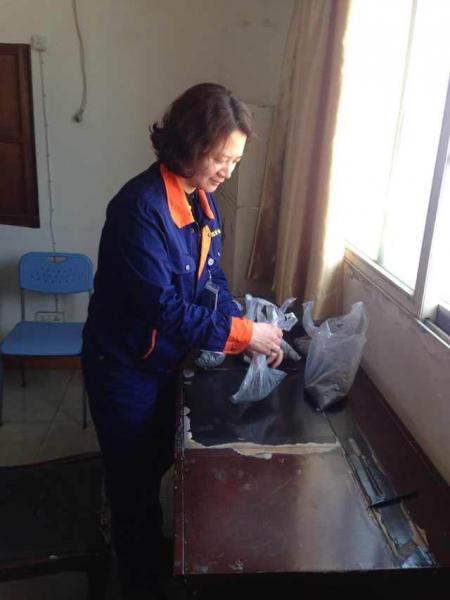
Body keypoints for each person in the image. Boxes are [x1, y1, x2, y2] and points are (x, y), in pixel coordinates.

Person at [81, 83, 283, 598]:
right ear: (190, 143)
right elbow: (164, 309)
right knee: (133, 481)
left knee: (155, 461)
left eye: (235, 161)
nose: (227, 171)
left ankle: (149, 549)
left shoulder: (200, 201)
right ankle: (136, 576)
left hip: (161, 361)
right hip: (124, 365)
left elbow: (210, 279)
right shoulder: (139, 208)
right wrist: (244, 335)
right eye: (221, 158)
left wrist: (244, 325)